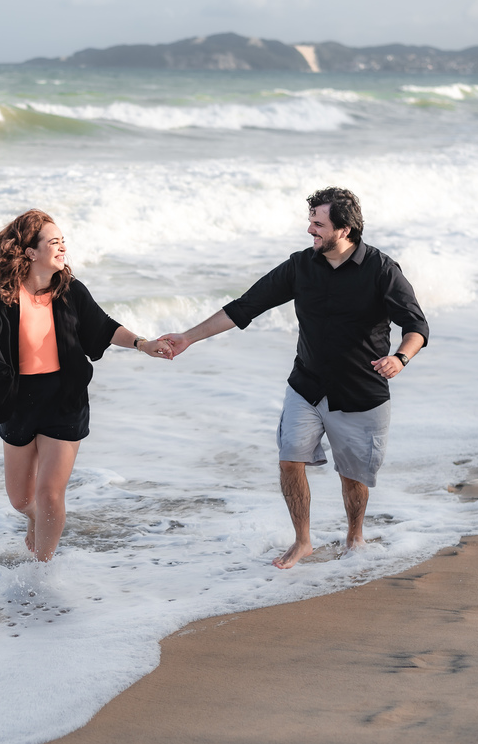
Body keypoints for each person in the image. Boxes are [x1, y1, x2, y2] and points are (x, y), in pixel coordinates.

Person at [159, 187, 429, 569]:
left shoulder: (382, 270)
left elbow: (416, 325)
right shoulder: (300, 266)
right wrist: (188, 337)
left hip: (360, 392)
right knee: (289, 460)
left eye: (318, 224)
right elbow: (244, 307)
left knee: (353, 477)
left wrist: (401, 357)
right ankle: (303, 541)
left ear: (345, 229)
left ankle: (355, 537)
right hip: (308, 386)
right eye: (310, 222)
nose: (310, 231)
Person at [0, 209, 171, 562]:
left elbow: (104, 327)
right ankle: (35, 520)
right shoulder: (6, 300)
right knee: (22, 500)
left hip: (66, 399)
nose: (63, 248)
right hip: (18, 402)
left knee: (49, 494)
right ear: (30, 252)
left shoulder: (70, 290)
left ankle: (41, 572)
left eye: (64, 241)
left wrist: (143, 343)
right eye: (54, 242)